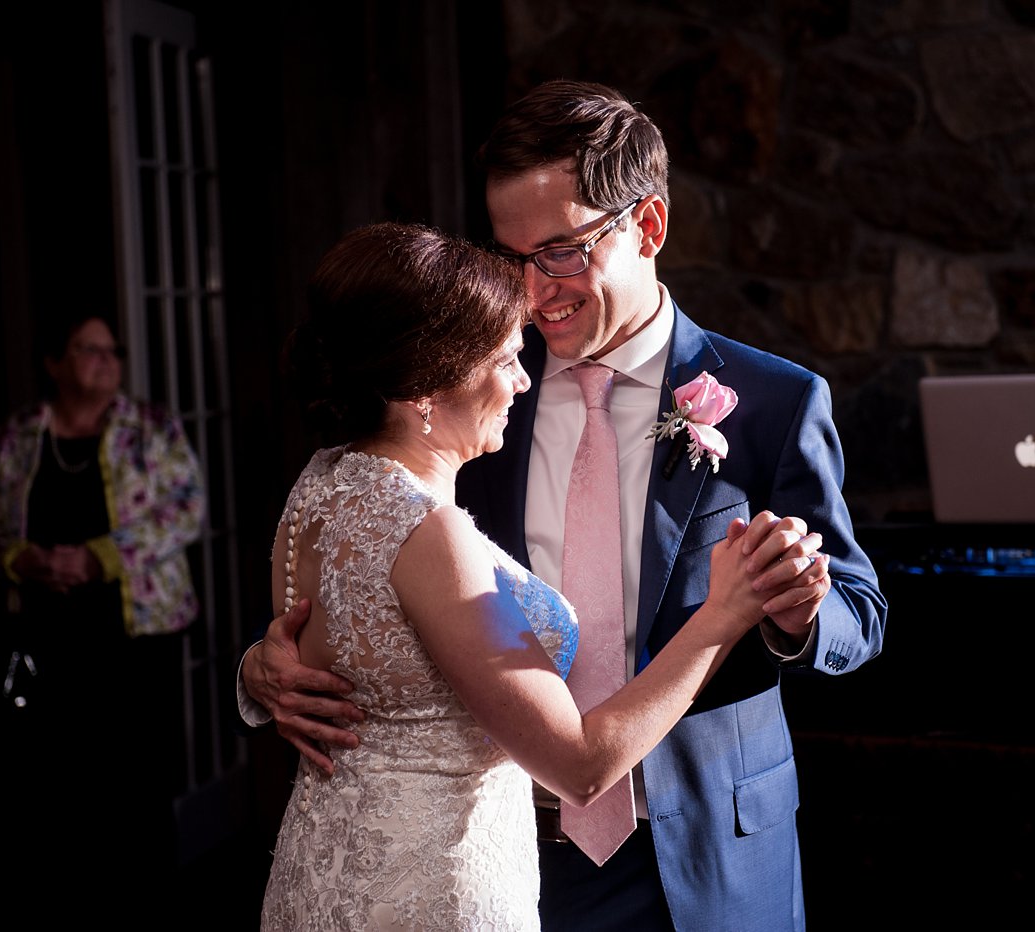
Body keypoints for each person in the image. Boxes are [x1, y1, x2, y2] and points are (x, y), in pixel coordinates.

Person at [244, 81, 887, 930]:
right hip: (504, 851)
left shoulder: (773, 400)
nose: (533, 291)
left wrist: (799, 610)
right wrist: (263, 666)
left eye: (560, 251)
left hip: (707, 858)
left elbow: (861, 611)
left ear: (649, 226)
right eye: (511, 255)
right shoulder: (470, 390)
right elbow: (381, 553)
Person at [0, 313, 204, 925]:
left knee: (139, 784)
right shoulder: (17, 434)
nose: (105, 360)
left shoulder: (150, 428)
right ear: (54, 362)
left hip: (137, 635)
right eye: (87, 349)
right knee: (56, 783)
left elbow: (186, 510)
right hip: (47, 635)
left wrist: (100, 558)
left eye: (112, 350)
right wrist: (25, 559)